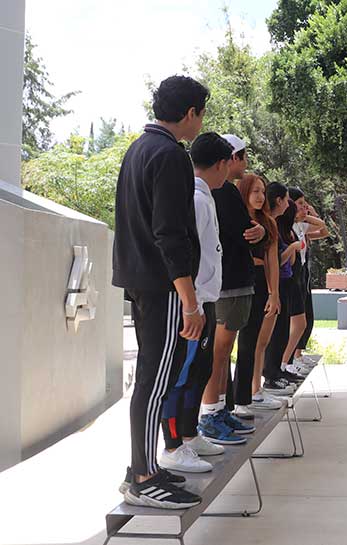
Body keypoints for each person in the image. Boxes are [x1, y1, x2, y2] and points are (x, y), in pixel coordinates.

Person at [113, 75, 208, 509]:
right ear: (190, 113)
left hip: (141, 279)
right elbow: (169, 233)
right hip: (162, 284)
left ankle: (143, 466)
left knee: (153, 378)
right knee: (154, 381)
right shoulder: (170, 155)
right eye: (201, 113)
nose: (201, 122)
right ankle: (143, 476)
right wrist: (189, 300)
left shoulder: (139, 148)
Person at [159, 133, 232, 473]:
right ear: (221, 164)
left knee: (199, 371)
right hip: (197, 301)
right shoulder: (197, 199)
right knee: (182, 374)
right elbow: (188, 256)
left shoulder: (205, 197)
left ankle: (190, 434)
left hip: (206, 298)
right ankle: (173, 445)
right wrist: (194, 304)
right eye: (228, 164)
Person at [197, 133, 261, 441]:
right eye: (242, 157)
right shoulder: (210, 194)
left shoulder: (218, 192)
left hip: (229, 282)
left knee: (224, 353)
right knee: (218, 352)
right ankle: (210, 413)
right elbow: (242, 232)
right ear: (227, 160)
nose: (245, 165)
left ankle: (220, 408)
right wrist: (258, 232)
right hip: (225, 284)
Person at [236, 173, 284, 411]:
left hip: (259, 283)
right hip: (235, 282)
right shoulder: (235, 217)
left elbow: (272, 261)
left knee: (255, 341)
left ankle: (252, 391)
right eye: (255, 191)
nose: (260, 196)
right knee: (237, 344)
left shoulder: (269, 222)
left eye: (263, 192)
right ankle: (235, 398)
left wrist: (274, 293)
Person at [263, 186, 307, 390]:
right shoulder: (272, 226)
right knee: (272, 334)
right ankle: (271, 373)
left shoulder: (281, 228)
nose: (293, 206)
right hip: (278, 284)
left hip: (288, 282)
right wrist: (292, 248)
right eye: (289, 201)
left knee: (281, 331)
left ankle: (279, 368)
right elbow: (276, 260)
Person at [290, 193, 330, 370]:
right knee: (296, 319)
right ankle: (290, 359)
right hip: (293, 273)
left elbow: (323, 230)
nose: (304, 206)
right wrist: (305, 214)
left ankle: (297, 354)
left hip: (303, 272)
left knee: (307, 316)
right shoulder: (290, 227)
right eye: (300, 203)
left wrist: (310, 213)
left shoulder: (301, 226)